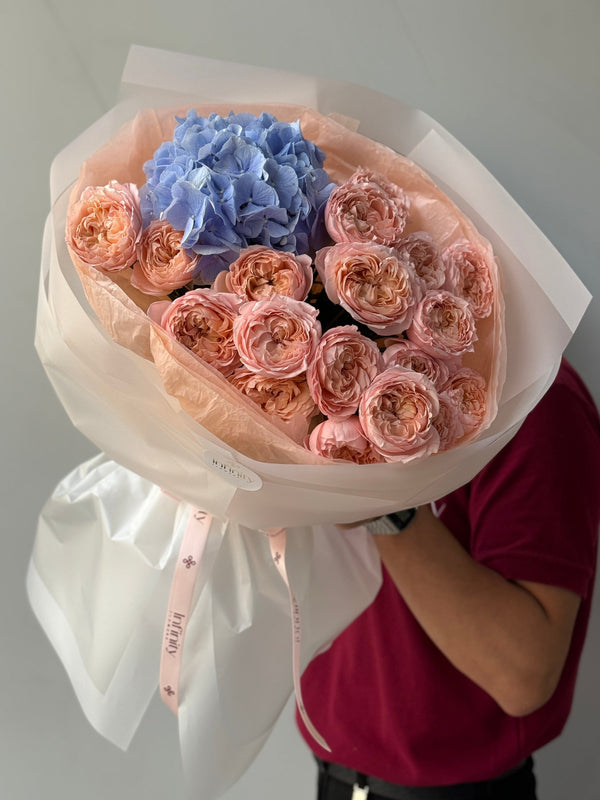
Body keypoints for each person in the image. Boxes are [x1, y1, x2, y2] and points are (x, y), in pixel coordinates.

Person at [297, 358, 600, 800]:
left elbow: (523, 676)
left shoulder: (534, 399)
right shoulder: (337, 360)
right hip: (335, 776)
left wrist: (384, 504)